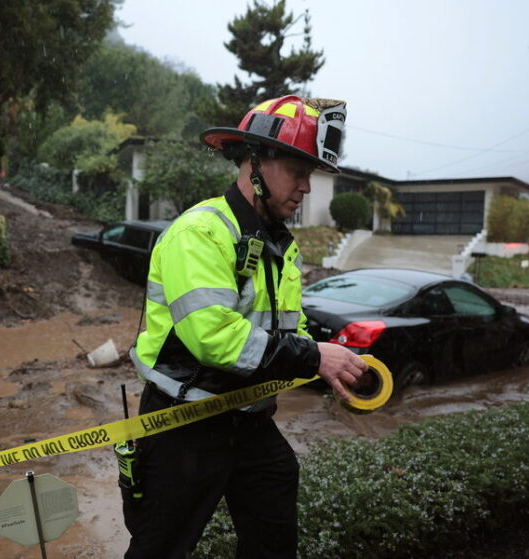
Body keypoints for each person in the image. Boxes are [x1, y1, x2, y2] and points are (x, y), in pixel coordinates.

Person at [122, 95, 368, 559]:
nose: (306, 189)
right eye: (298, 172)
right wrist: (315, 357)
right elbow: (214, 338)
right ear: (256, 163)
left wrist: (326, 365)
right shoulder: (200, 233)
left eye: (309, 175)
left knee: (275, 525)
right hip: (184, 423)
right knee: (160, 547)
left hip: (250, 419)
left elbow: (279, 340)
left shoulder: (281, 248)